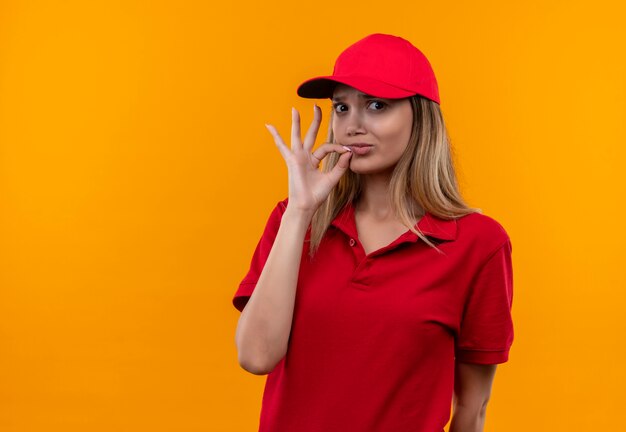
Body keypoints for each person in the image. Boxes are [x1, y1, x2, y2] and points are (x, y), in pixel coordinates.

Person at [232, 33, 514, 432]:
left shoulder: (478, 244)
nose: (352, 125)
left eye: (376, 105)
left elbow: (472, 408)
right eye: (342, 107)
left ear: (422, 117)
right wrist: (299, 212)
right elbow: (256, 357)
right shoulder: (292, 221)